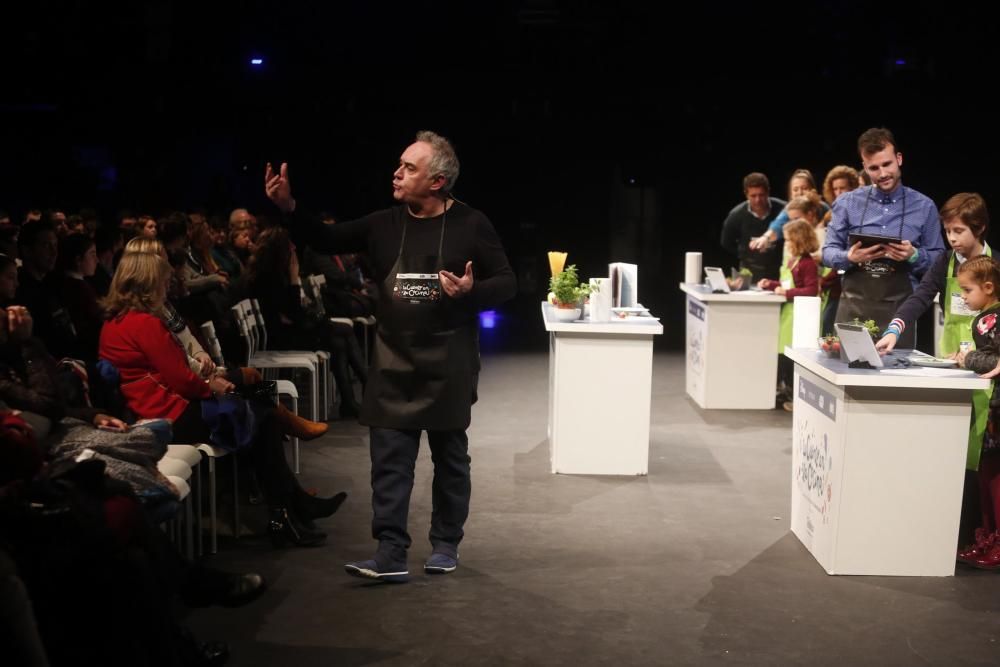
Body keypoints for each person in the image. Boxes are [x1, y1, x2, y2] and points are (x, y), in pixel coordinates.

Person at [265, 130, 517, 582]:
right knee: (389, 463)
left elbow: (507, 282)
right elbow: (326, 239)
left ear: (437, 181)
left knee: (450, 461)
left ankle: (445, 544)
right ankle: (390, 551)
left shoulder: (471, 224)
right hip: (393, 361)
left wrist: (471, 292)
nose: (396, 173)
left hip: (448, 363)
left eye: (409, 167)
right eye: (399, 165)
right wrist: (289, 208)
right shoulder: (384, 223)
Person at [99, 252, 342, 548]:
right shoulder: (144, 324)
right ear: (150, 284)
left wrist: (211, 383)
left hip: (159, 409)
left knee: (258, 408)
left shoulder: (114, 322)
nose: (168, 286)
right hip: (171, 416)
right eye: (164, 281)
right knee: (260, 412)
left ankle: (290, 510)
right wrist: (213, 387)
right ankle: (289, 508)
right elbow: (180, 379)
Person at [821, 127, 946, 349]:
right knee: (848, 378)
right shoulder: (847, 203)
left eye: (887, 164)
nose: (882, 174)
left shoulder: (924, 206)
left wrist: (914, 255)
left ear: (899, 159)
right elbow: (828, 252)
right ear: (864, 168)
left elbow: (939, 260)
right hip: (853, 307)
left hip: (900, 311)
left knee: (895, 378)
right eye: (874, 168)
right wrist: (849, 256)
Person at [954, 256, 1000, 568]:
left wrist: (966, 359)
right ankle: (987, 539)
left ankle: (995, 543)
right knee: (986, 474)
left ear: (988, 287)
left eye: (967, 291)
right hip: (991, 408)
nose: (963, 297)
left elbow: (992, 360)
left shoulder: (989, 320)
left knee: (993, 475)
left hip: (996, 410)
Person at [757, 219, 820, 410]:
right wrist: (771, 284)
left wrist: (786, 293)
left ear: (799, 240)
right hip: (787, 314)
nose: (786, 245)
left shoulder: (808, 263)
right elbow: (787, 285)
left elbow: (810, 290)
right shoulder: (793, 261)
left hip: (798, 317)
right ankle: (785, 391)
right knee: (782, 356)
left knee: (792, 358)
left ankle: (796, 398)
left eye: (788, 241)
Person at [720, 172, 785, 282]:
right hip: (748, 274)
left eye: (761, 195)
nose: (758, 200)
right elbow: (726, 242)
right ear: (746, 194)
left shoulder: (783, 210)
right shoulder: (736, 215)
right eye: (753, 196)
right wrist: (744, 253)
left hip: (778, 272)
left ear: (768, 191)